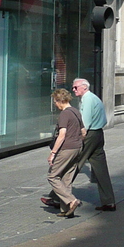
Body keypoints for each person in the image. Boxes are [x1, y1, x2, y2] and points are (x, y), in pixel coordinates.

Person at [42, 79, 117, 212]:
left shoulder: (88, 100)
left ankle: (58, 198)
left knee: (73, 164)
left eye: (76, 87)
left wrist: (77, 140)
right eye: (73, 87)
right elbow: (103, 120)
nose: (74, 90)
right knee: (101, 170)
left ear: (84, 87)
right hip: (98, 134)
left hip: (90, 136)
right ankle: (109, 201)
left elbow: (85, 123)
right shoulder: (94, 98)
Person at [46, 88, 84, 217]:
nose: (55, 105)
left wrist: (53, 153)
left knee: (52, 176)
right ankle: (66, 210)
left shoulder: (65, 114)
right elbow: (84, 132)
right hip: (78, 147)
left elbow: (62, 135)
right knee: (66, 178)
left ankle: (71, 200)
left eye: (55, 102)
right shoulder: (76, 112)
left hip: (66, 148)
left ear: (60, 100)